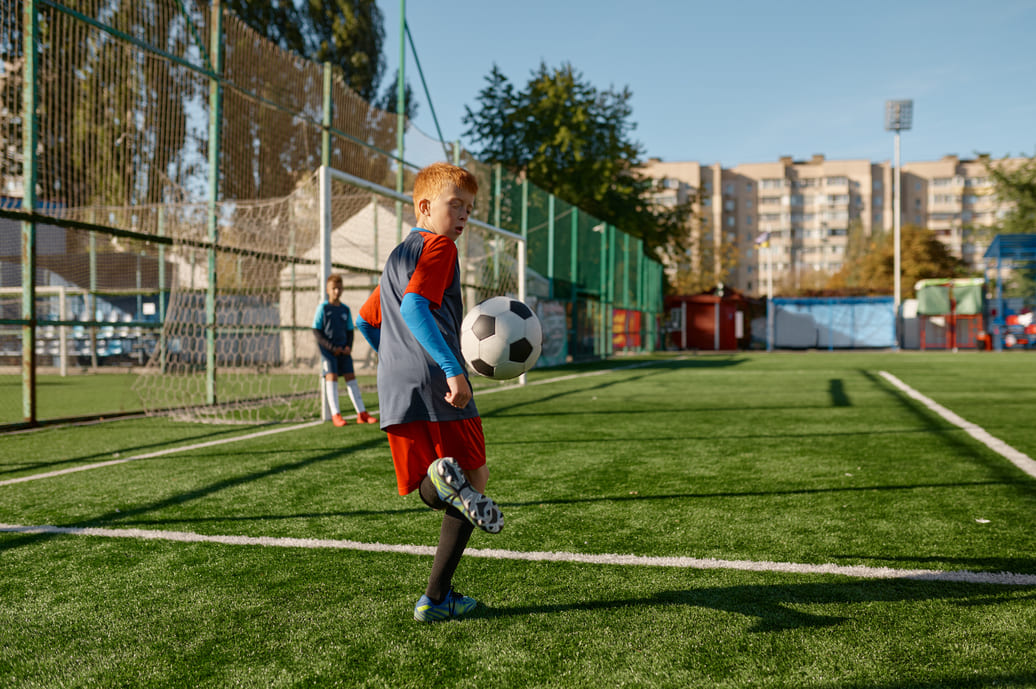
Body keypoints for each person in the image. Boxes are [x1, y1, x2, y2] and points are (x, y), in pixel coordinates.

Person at [355, 162, 502, 623]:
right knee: (474, 479)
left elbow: (366, 319)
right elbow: (416, 306)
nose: (463, 216)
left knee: (438, 483)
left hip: (395, 385)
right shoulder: (439, 247)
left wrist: (395, 359)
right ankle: (437, 597)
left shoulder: (397, 255)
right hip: (436, 380)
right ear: (424, 206)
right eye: (455, 205)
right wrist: (450, 367)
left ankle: (437, 597)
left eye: (469, 209)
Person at [313, 273, 377, 427]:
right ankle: (336, 414)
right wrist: (332, 348)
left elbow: (350, 331)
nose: (337, 291)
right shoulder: (323, 308)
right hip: (329, 352)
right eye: (334, 288)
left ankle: (361, 413)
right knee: (332, 378)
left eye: (339, 288)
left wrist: (349, 347)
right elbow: (316, 331)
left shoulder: (345, 309)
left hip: (344, 350)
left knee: (351, 378)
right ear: (328, 290)